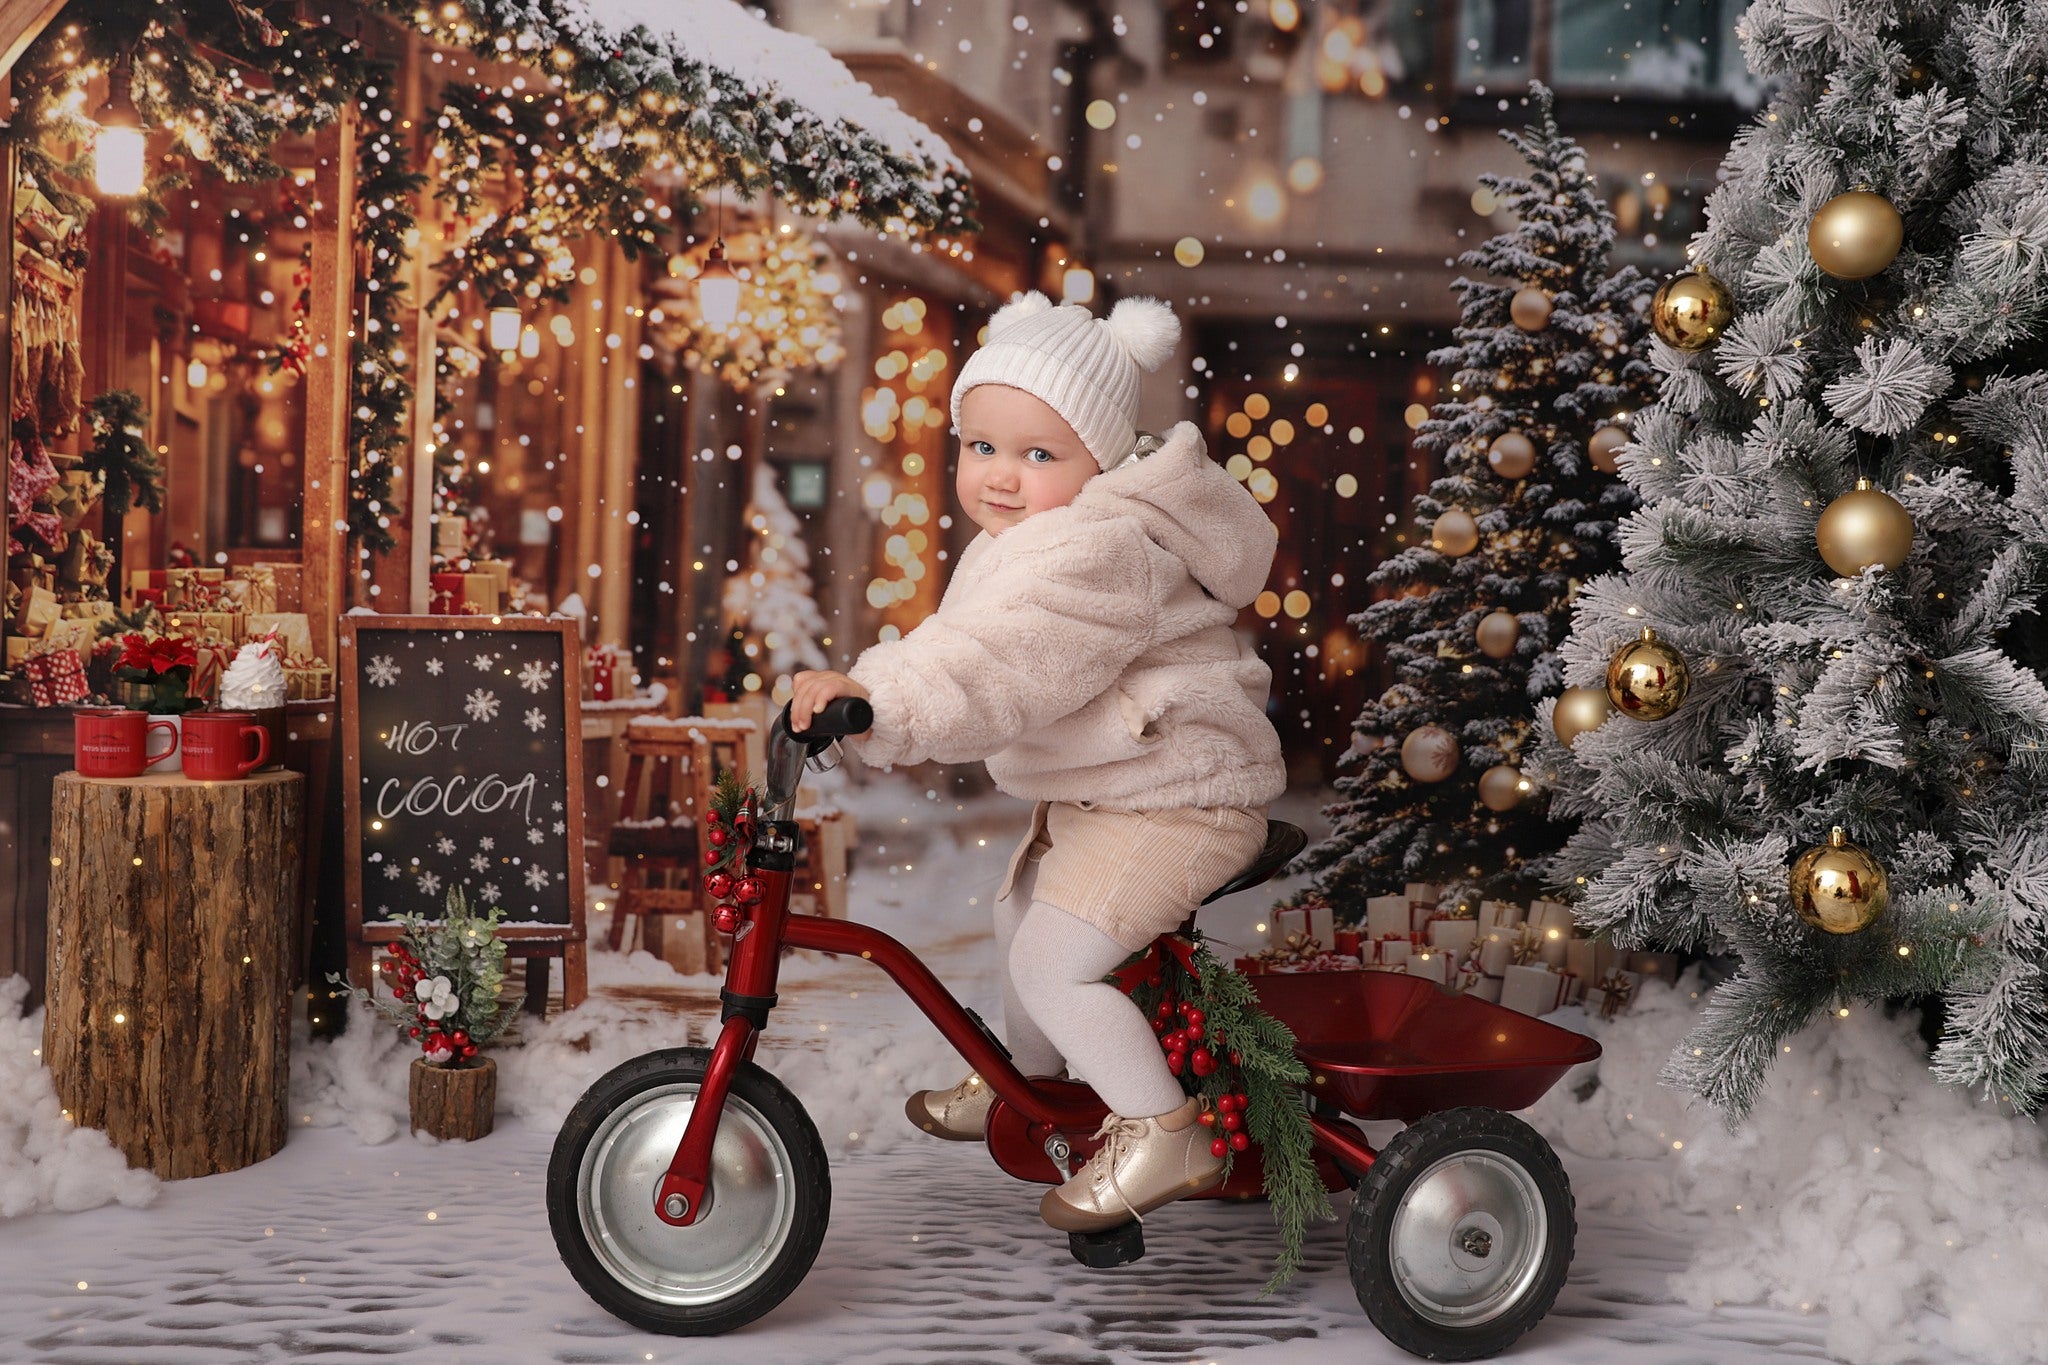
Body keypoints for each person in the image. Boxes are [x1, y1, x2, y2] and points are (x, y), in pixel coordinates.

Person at [790, 291, 1285, 1233]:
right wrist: (872, 678)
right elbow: (962, 636)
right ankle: (1030, 1083)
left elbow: (1002, 661)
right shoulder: (1023, 539)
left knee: (1057, 962)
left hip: (1182, 797)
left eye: (1039, 454)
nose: (1002, 478)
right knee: (1019, 914)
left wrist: (881, 700)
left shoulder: (1098, 549)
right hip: (1121, 789)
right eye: (982, 448)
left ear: (1099, 461)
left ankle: (1164, 1125)